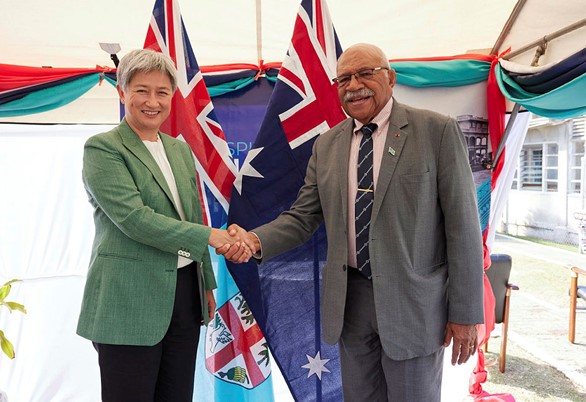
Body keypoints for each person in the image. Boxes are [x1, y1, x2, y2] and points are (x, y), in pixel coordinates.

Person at [221, 43, 484, 401]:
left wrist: (467, 313)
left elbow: (464, 228)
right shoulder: (327, 145)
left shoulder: (435, 131)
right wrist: (253, 240)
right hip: (350, 303)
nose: (353, 84)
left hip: (413, 307)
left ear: (390, 78)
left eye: (365, 73)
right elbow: (302, 217)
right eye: (344, 78)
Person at [76, 49, 249, 402]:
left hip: (184, 295)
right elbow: (135, 220)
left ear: (172, 96)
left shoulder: (179, 150)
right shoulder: (104, 149)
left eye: (162, 92)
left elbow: (192, 216)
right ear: (122, 92)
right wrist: (211, 237)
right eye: (141, 90)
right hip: (128, 300)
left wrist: (205, 282)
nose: (152, 101)